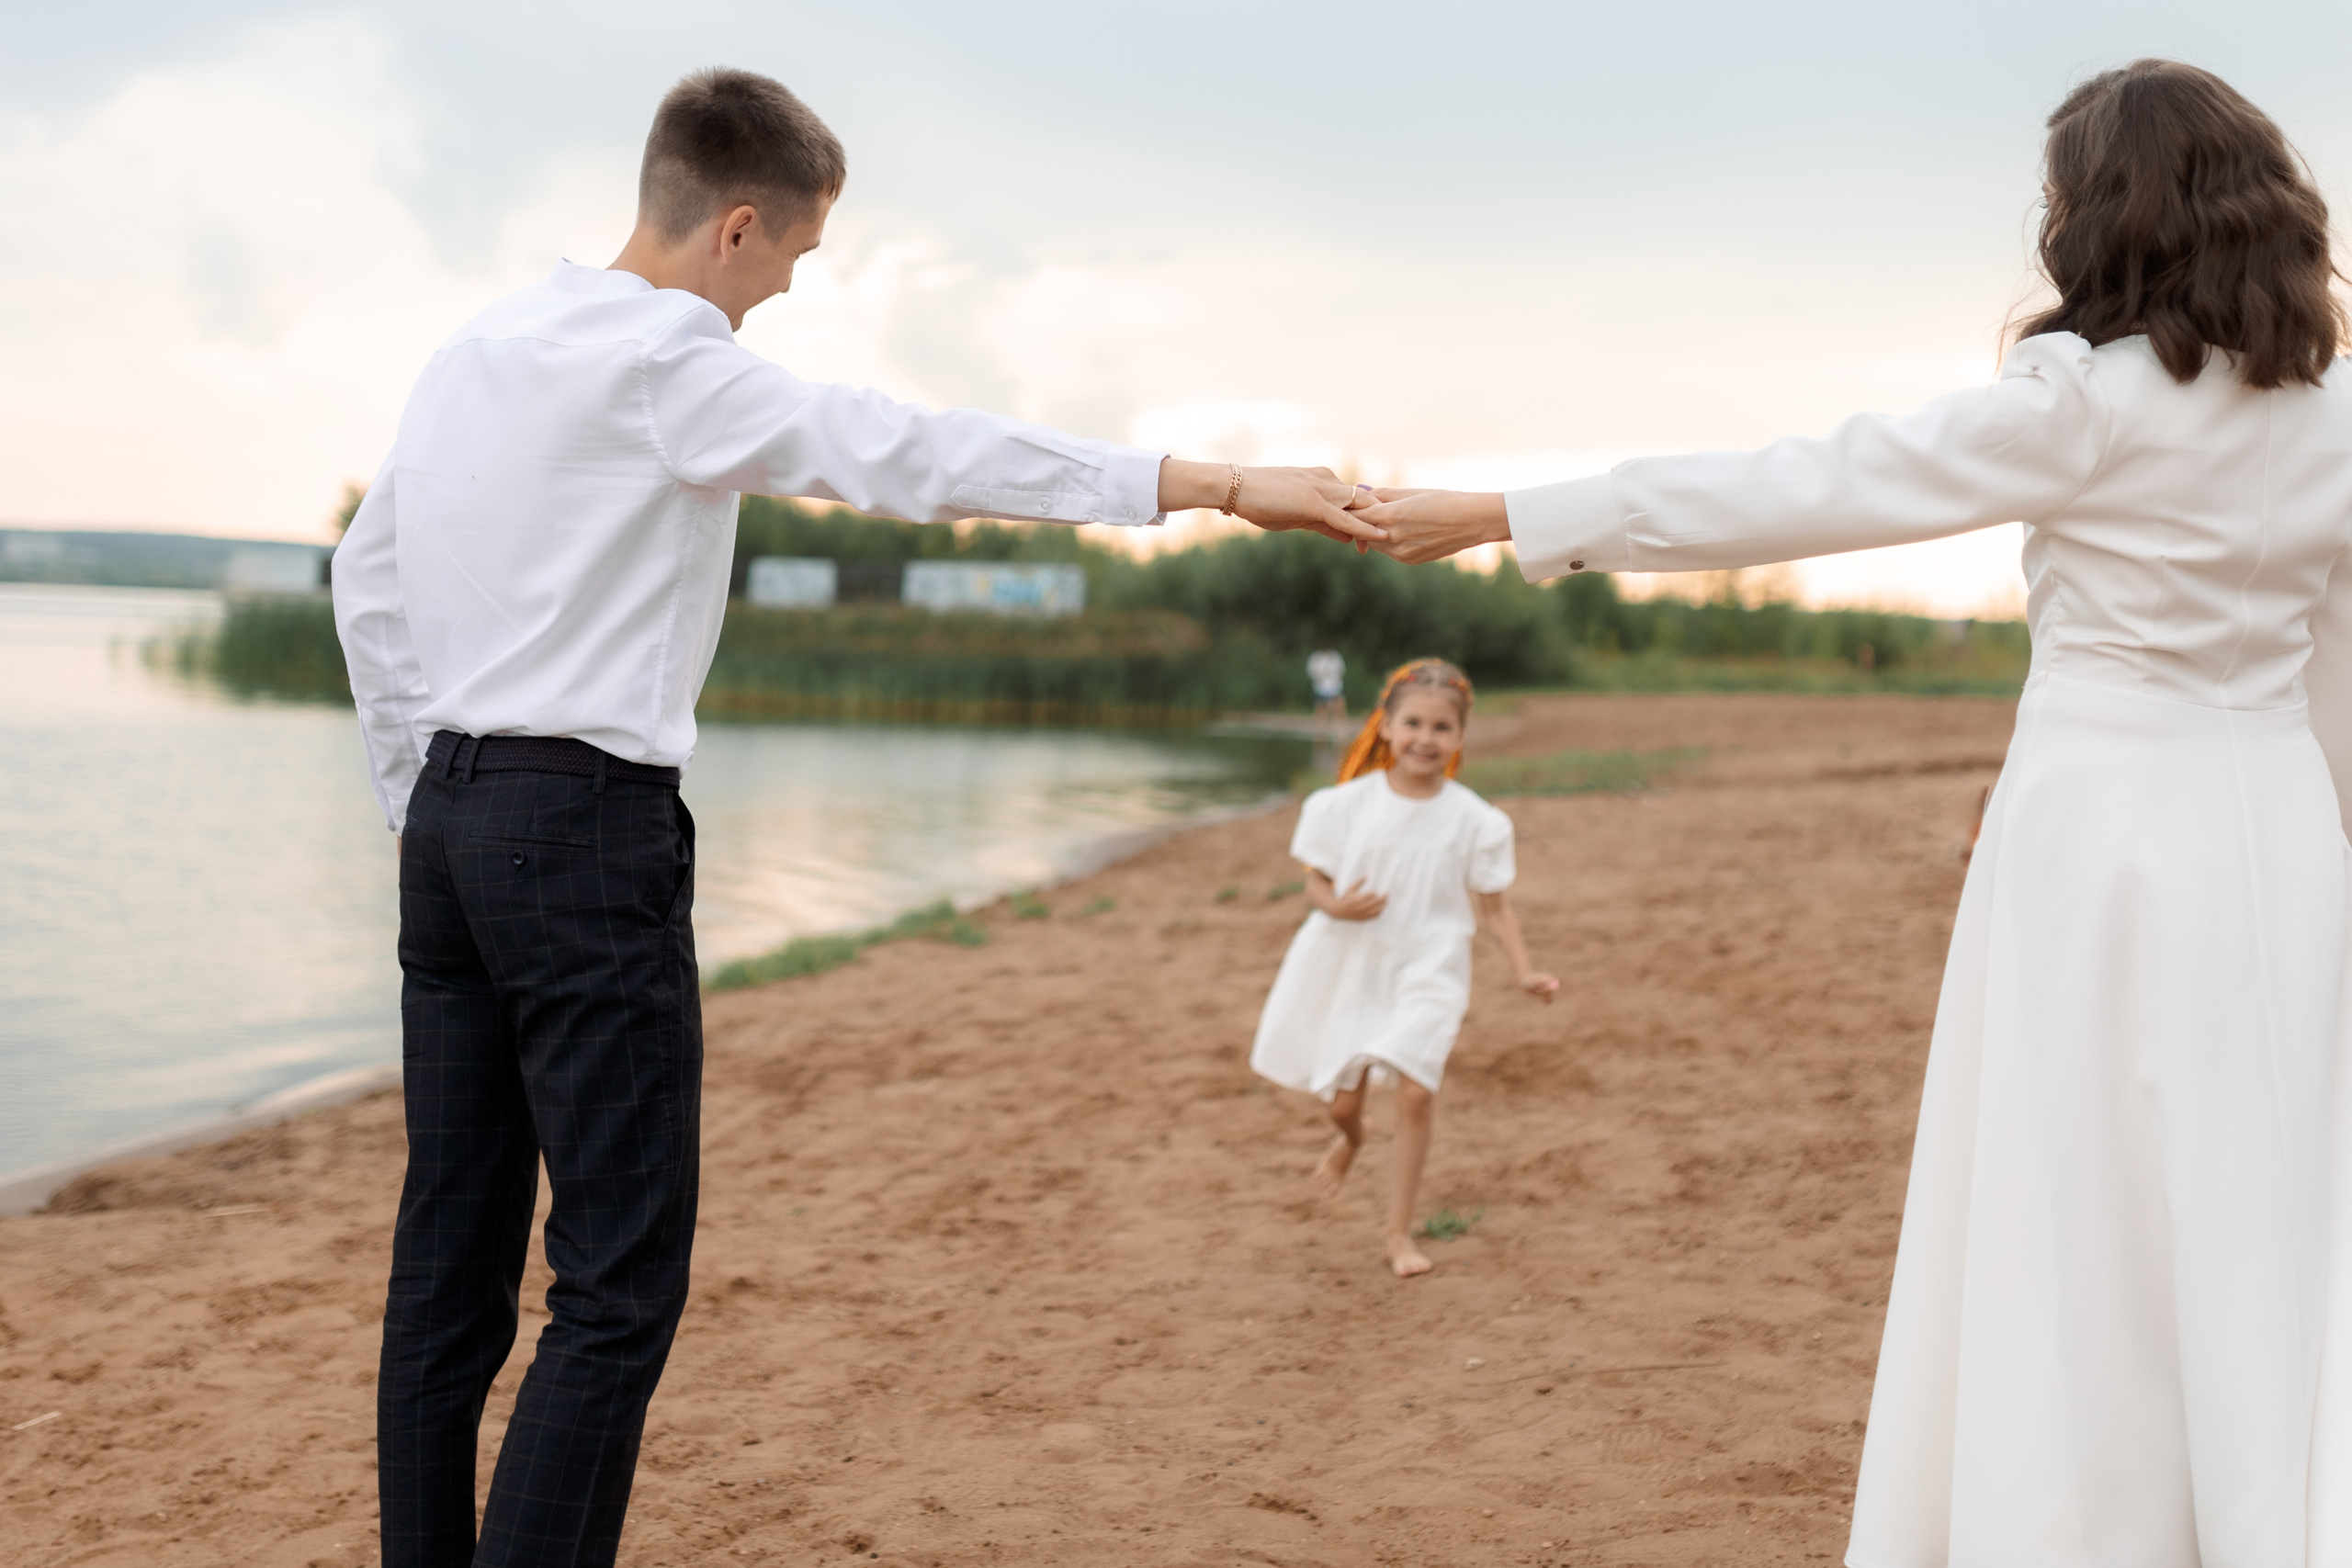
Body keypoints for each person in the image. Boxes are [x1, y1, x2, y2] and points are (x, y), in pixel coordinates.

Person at [332, 67, 1382, 1568]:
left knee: (449, 1261)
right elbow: (920, 454)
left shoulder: (476, 346)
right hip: (581, 831)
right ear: (740, 230)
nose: (776, 303)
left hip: (447, 819)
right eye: (794, 267)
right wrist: (1207, 481)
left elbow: (365, 579)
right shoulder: (674, 357)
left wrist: (411, 794)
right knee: (615, 1284)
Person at [1357, 59, 2352, 1566]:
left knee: (2077, 1209)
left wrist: (1513, 512)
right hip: (2276, 834)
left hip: (2097, 836)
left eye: (2059, 197)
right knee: (2265, 1195)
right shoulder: (2332, 414)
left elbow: (1812, 483)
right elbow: (2335, 658)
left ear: (2107, 217)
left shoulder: (2084, 403)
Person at [1250, 659, 1559, 1278]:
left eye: (1442, 727)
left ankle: (1397, 1233)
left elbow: (1493, 906)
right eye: (1413, 722)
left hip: (1431, 964)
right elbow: (1316, 878)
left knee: (1417, 1091)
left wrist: (1523, 970)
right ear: (1385, 727)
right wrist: (1336, 903)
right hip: (1352, 960)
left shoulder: (1476, 819)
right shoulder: (1345, 805)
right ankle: (1352, 1138)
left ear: (1459, 739)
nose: (1426, 737)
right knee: (1342, 1103)